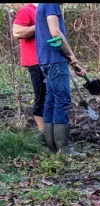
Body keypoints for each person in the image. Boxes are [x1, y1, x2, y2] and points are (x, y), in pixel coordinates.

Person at [35, 3, 86, 156]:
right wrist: (71, 55)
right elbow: (55, 31)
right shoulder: (51, 4)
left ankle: (52, 147)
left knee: (51, 101)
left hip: (45, 60)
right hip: (55, 60)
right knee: (62, 101)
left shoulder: (42, 4)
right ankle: (64, 149)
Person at [12, 3, 46, 138]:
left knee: (53, 98)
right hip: (35, 62)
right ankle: (44, 134)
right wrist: (39, 26)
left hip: (49, 61)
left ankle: (53, 133)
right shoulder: (27, 10)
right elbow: (17, 32)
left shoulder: (46, 10)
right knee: (41, 97)